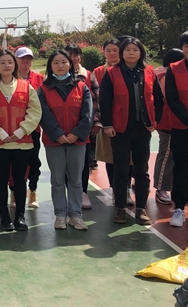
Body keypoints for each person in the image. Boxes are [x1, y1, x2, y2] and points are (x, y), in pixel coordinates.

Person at [0, 49, 42, 231]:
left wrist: (21, 131)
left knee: (20, 181)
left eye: (10, 62)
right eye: (2, 62)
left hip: (22, 143)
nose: (7, 65)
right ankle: (4, 217)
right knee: (1, 180)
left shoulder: (26, 86)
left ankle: (20, 216)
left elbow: (35, 111)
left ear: (15, 65)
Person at [100, 37, 156, 225]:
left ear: (141, 52)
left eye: (135, 50)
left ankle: (141, 208)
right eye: (127, 50)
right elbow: (105, 101)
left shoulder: (149, 72)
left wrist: (154, 120)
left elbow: (158, 98)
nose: (131, 53)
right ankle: (120, 208)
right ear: (122, 53)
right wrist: (107, 124)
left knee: (142, 170)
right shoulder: (112, 73)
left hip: (142, 128)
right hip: (120, 129)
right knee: (121, 169)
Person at [38, 50, 93, 231]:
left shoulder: (82, 87)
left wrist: (77, 133)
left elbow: (88, 113)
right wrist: (57, 134)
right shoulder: (43, 89)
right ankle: (60, 215)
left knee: (76, 180)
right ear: (50, 66)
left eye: (63, 62)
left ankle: (76, 215)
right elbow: (44, 114)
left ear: (70, 64)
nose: (60, 66)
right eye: (55, 62)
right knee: (57, 180)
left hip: (77, 141)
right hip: (54, 141)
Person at [94, 39, 132, 204]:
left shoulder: (129, 70)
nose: (112, 53)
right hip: (107, 121)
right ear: (103, 52)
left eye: (115, 50)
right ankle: (116, 189)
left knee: (129, 158)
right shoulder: (98, 72)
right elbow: (96, 98)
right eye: (108, 50)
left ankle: (126, 189)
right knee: (111, 157)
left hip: (128, 121)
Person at [66, 43, 101, 210]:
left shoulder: (87, 75)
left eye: (76, 54)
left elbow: (97, 99)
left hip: (84, 125)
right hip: (64, 126)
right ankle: (70, 192)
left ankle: (83, 192)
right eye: (69, 55)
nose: (73, 58)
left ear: (80, 57)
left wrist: (96, 121)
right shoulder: (56, 75)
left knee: (84, 161)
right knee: (65, 162)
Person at [166, 31, 188, 228]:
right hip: (182, 128)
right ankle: (179, 208)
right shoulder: (174, 70)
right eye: (187, 46)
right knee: (182, 169)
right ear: (182, 48)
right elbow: (172, 99)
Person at [13, 46, 44, 210]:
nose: (26, 61)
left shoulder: (40, 79)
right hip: (12, 129)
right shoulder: (9, 78)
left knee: (34, 162)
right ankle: (14, 191)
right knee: (14, 164)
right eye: (22, 58)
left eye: (29, 58)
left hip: (33, 129)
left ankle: (32, 190)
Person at [153, 49, 185, 205]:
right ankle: (161, 189)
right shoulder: (164, 75)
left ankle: (177, 189)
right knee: (166, 156)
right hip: (168, 121)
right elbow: (170, 97)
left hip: (178, 121)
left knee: (177, 157)